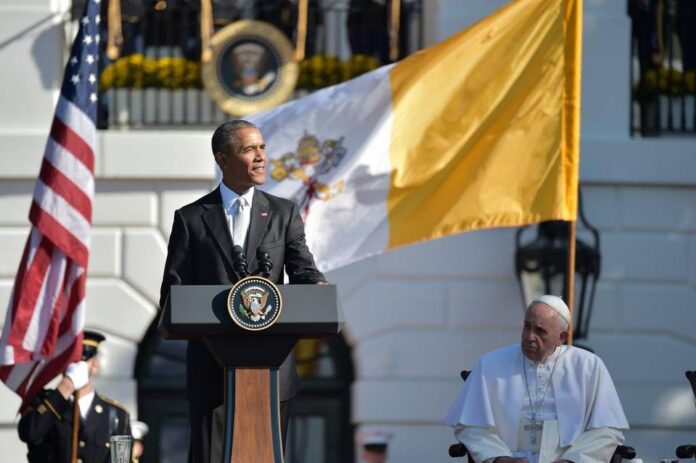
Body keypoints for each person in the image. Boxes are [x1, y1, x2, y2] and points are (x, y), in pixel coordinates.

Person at [159, 119, 327, 463]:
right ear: (222, 159)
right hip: (212, 378)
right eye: (249, 149)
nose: (261, 156)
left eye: (262, 147)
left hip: (272, 376)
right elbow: (172, 295)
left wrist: (316, 288)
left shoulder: (283, 213)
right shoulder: (191, 219)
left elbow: (303, 270)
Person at [444, 295, 629, 463]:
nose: (530, 337)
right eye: (527, 326)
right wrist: (500, 459)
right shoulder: (490, 364)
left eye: (540, 331)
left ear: (561, 337)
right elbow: (470, 425)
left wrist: (573, 461)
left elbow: (607, 431)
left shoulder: (588, 366)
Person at [17, 330, 131, 463]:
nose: (73, 367)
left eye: (80, 361)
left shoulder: (118, 416)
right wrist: (66, 386)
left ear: (95, 365)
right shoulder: (42, 403)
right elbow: (30, 434)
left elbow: (122, 461)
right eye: (68, 361)